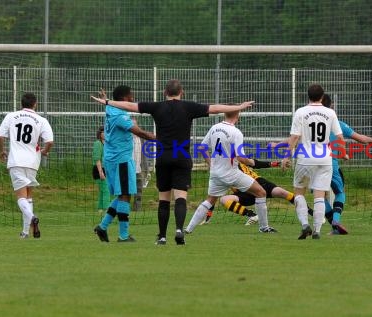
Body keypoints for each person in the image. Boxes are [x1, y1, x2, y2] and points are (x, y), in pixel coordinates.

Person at [91, 79, 254, 245]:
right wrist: (239, 107)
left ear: (164, 93)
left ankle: (159, 236)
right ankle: (172, 231)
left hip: (161, 158)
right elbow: (217, 108)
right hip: (175, 157)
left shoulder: (152, 107)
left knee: (160, 199)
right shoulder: (189, 107)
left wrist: (107, 102)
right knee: (178, 197)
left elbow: (131, 107)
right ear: (181, 92)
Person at [185, 110, 276, 234]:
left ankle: (188, 229)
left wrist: (211, 164)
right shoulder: (236, 132)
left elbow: (201, 148)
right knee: (261, 192)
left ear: (225, 114)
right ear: (237, 116)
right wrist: (251, 162)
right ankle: (264, 227)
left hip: (216, 173)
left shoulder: (214, 127)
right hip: (232, 173)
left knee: (210, 200)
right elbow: (240, 157)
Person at [93, 85, 155, 243]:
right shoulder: (120, 115)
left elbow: (109, 105)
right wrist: (159, 138)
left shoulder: (111, 109)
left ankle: (102, 227)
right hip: (121, 159)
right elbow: (139, 132)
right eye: (131, 95)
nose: (133, 97)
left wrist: (106, 98)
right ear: (124, 98)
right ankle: (123, 235)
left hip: (113, 158)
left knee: (122, 195)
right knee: (126, 195)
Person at [281, 83, 344, 240]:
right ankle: (317, 230)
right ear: (322, 97)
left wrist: (286, 156)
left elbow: (294, 137)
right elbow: (340, 137)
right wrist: (342, 153)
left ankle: (304, 225)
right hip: (325, 159)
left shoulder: (301, 112)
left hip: (305, 158)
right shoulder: (330, 113)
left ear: (308, 96)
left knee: (299, 192)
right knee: (319, 195)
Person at [0, 93, 54, 239]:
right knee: (28, 196)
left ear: (21, 103)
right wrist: (45, 152)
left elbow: (0, 136)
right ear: (35, 104)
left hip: (16, 161)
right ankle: (25, 232)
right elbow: (49, 141)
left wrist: (2, 151)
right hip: (33, 162)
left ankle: (33, 217)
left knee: (21, 197)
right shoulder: (41, 120)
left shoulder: (11, 116)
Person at [321, 93, 372, 235]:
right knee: (340, 193)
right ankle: (336, 220)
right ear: (331, 106)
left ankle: (332, 227)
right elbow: (360, 139)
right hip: (331, 164)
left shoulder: (310, 123)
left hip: (313, 164)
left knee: (319, 196)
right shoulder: (338, 124)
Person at [201, 159, 313, 225]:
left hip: (258, 184)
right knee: (225, 200)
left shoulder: (238, 159)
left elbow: (256, 163)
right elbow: (213, 196)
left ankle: (311, 213)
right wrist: (208, 217)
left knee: (283, 193)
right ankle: (252, 215)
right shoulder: (221, 172)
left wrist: (276, 163)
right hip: (244, 193)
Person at [131, 118, 150, 211]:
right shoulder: (126, 138)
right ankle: (124, 209)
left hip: (138, 169)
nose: (134, 126)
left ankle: (137, 210)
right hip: (127, 169)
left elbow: (143, 155)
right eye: (132, 124)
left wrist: (146, 169)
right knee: (126, 192)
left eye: (135, 124)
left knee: (139, 191)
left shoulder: (141, 139)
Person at [92, 126, 109, 213]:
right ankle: (107, 208)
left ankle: (100, 208)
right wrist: (101, 172)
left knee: (103, 190)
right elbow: (97, 159)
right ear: (100, 133)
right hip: (99, 169)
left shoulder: (107, 144)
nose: (106, 133)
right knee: (106, 189)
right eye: (104, 132)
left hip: (106, 169)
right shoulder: (97, 144)